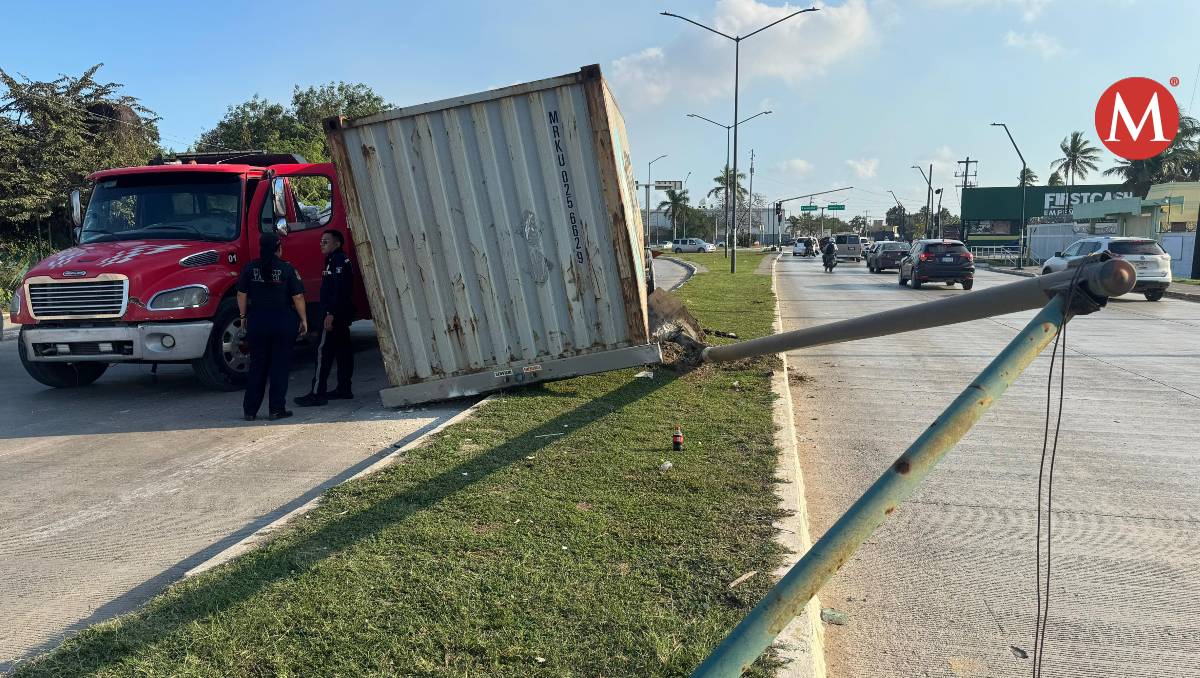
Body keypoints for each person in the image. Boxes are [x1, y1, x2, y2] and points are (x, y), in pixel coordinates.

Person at [238, 233, 307, 421]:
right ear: (278, 247)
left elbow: (241, 293)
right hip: (282, 323)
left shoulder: (250, 268)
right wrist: (304, 319)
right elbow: (298, 296)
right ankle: (276, 409)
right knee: (279, 367)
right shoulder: (286, 269)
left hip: (257, 322)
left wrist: (243, 316)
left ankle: (250, 411)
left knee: (257, 366)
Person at [295, 229, 355, 406]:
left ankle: (317, 393)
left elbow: (339, 291)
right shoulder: (333, 260)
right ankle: (344, 388)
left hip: (335, 314)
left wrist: (330, 314)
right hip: (341, 313)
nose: (322, 244)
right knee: (344, 351)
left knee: (323, 352)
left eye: (326, 241)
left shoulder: (337, 261)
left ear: (337, 244)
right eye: (321, 241)